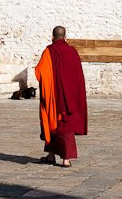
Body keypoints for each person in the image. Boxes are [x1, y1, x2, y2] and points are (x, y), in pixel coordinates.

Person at [34, 26, 87, 167]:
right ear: (65, 37)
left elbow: (39, 73)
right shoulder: (73, 52)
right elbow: (78, 77)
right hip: (69, 98)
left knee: (54, 124)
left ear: (52, 37)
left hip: (55, 97)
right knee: (64, 125)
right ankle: (54, 156)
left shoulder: (48, 52)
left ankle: (65, 159)